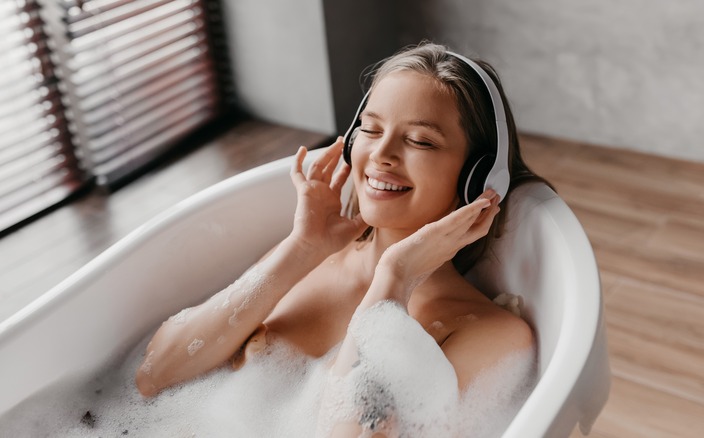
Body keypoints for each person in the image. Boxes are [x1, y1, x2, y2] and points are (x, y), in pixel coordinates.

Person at [135, 42, 545, 435]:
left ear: (479, 178)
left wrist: (393, 281)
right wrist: (302, 248)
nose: (381, 154)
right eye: (369, 129)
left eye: (420, 140)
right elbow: (153, 376)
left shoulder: (492, 334)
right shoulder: (310, 260)